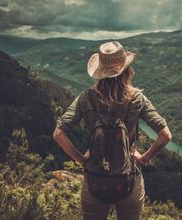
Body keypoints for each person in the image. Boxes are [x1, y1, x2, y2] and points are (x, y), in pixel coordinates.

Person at [53, 41, 172, 220]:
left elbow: (58, 134)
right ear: (126, 70)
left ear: (99, 73)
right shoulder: (137, 99)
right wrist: (144, 159)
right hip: (129, 178)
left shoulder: (86, 98)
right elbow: (165, 136)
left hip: (95, 178)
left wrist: (82, 160)